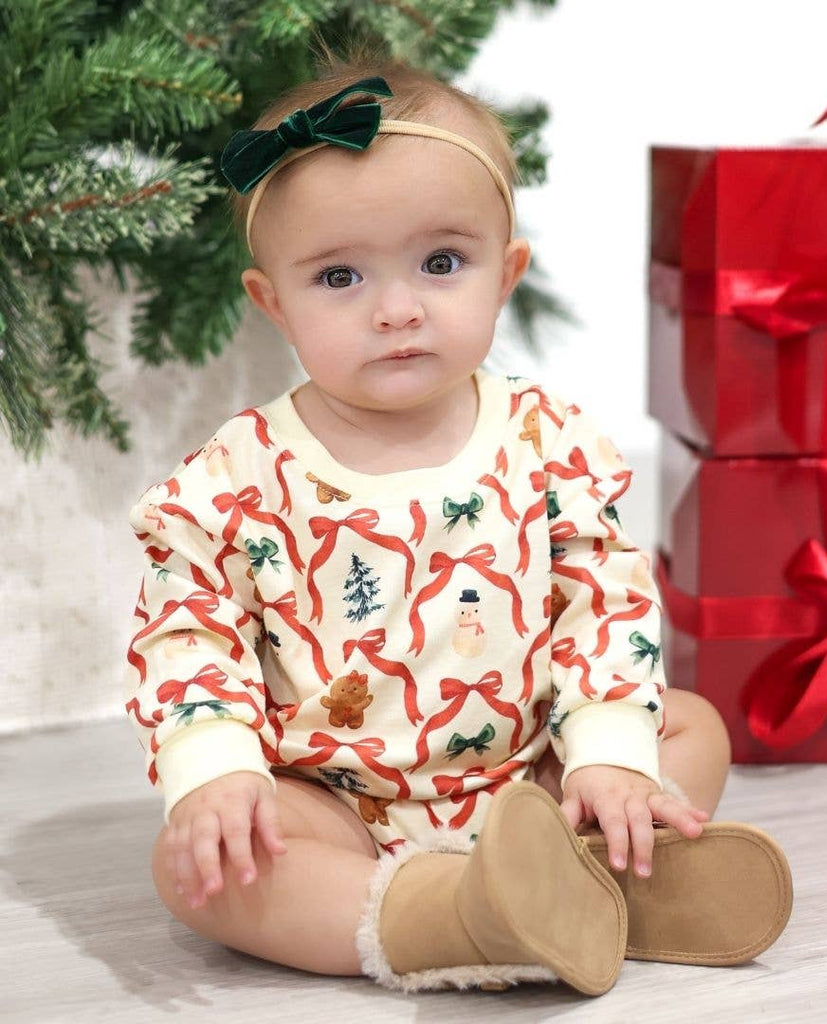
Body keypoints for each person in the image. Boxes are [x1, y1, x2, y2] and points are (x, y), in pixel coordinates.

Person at [125, 52, 791, 996]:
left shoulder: (545, 439)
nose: (398, 310)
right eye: (340, 276)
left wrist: (606, 757)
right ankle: (451, 915)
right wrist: (216, 770)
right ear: (273, 302)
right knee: (203, 865)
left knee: (690, 728)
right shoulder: (234, 478)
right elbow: (187, 630)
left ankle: (583, 861)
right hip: (340, 805)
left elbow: (603, 603)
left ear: (505, 272)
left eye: (441, 264)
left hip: (535, 781)